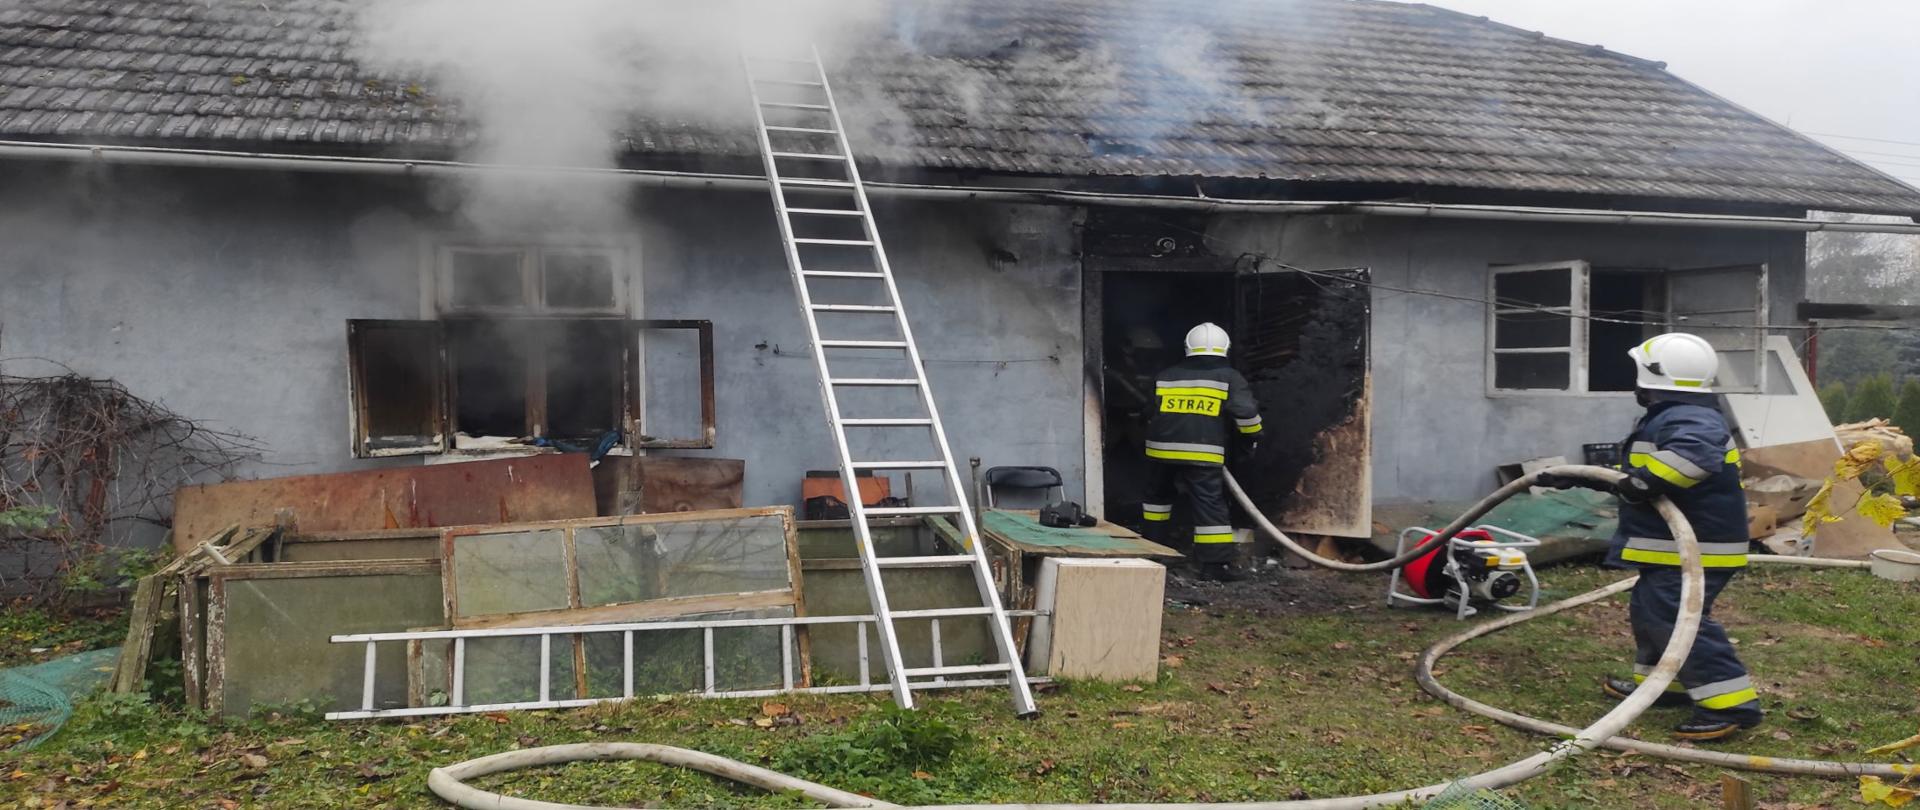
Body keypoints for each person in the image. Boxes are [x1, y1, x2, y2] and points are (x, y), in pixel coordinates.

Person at [1538, 333, 1763, 742]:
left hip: (1697, 547)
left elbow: (1693, 459)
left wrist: (1644, 483)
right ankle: (1666, 685)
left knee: (1677, 619)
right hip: (1672, 548)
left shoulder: (1690, 418)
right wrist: (1579, 477)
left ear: (1650, 378)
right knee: (1651, 612)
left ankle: (1730, 705)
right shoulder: (1676, 414)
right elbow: (1641, 477)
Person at [1140, 322, 1263, 582]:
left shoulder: (1166, 374)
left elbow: (1149, 412)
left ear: (1188, 347)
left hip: (1160, 450)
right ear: (1225, 348)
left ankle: (1151, 553)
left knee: (1157, 502)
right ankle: (1214, 567)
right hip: (1203, 453)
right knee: (1209, 507)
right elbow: (1247, 414)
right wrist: (1253, 437)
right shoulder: (1229, 376)